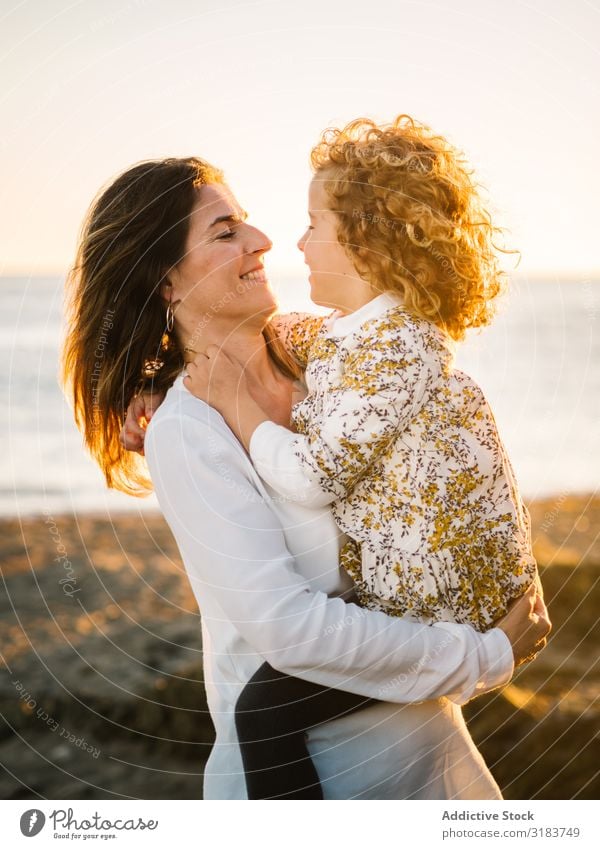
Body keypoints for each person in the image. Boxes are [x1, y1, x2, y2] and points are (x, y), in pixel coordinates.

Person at [62, 155, 550, 800]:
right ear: (164, 282)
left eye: (248, 223)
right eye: (225, 231)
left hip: (432, 762)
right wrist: (484, 655)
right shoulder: (187, 429)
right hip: (326, 786)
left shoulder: (329, 363)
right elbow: (289, 630)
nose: (262, 240)